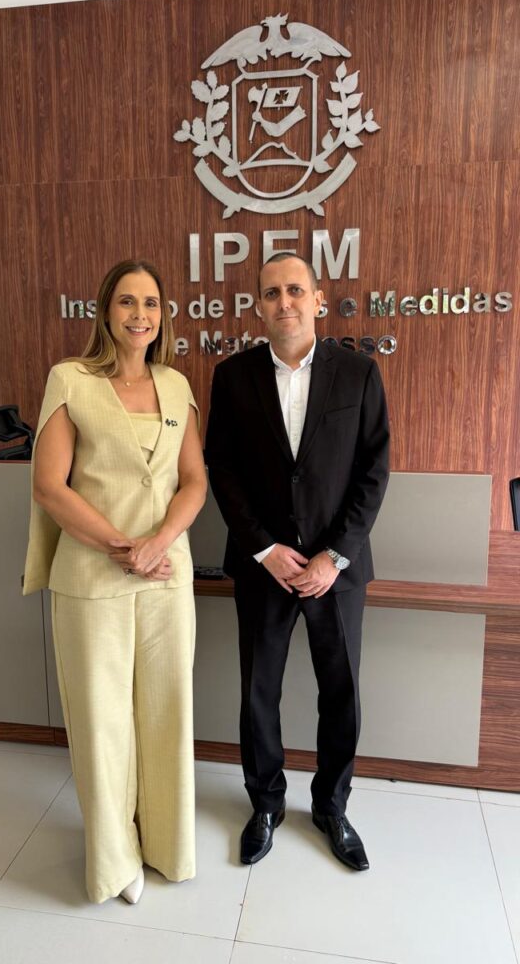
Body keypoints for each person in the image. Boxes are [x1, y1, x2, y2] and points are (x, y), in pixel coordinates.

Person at [23, 258, 206, 904]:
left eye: (151, 303)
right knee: (102, 721)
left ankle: (165, 843)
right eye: (127, 302)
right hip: (92, 578)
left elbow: (194, 482)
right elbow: (49, 486)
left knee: (166, 711)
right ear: (105, 311)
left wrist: (158, 543)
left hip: (166, 578)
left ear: (163, 315)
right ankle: (114, 857)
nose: (140, 315)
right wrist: (122, 547)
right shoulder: (70, 379)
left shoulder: (177, 386)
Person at [205, 252, 389, 871]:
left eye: (294, 290)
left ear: (317, 298)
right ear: (258, 305)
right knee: (259, 690)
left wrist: (334, 557)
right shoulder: (233, 377)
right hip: (265, 567)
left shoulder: (359, 374)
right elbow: (222, 470)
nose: (283, 302)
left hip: (335, 571)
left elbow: (373, 472)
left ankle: (332, 807)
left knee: (341, 692)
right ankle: (265, 804)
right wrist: (262, 547)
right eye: (271, 293)